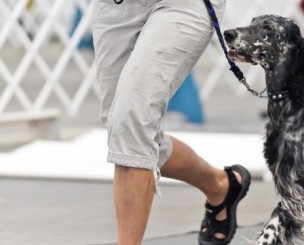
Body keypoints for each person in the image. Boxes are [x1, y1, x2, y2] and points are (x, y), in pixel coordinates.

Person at [90, 0, 251, 244]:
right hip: (115, 6)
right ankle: (220, 185)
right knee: (124, 129)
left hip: (182, 4)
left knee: (132, 118)